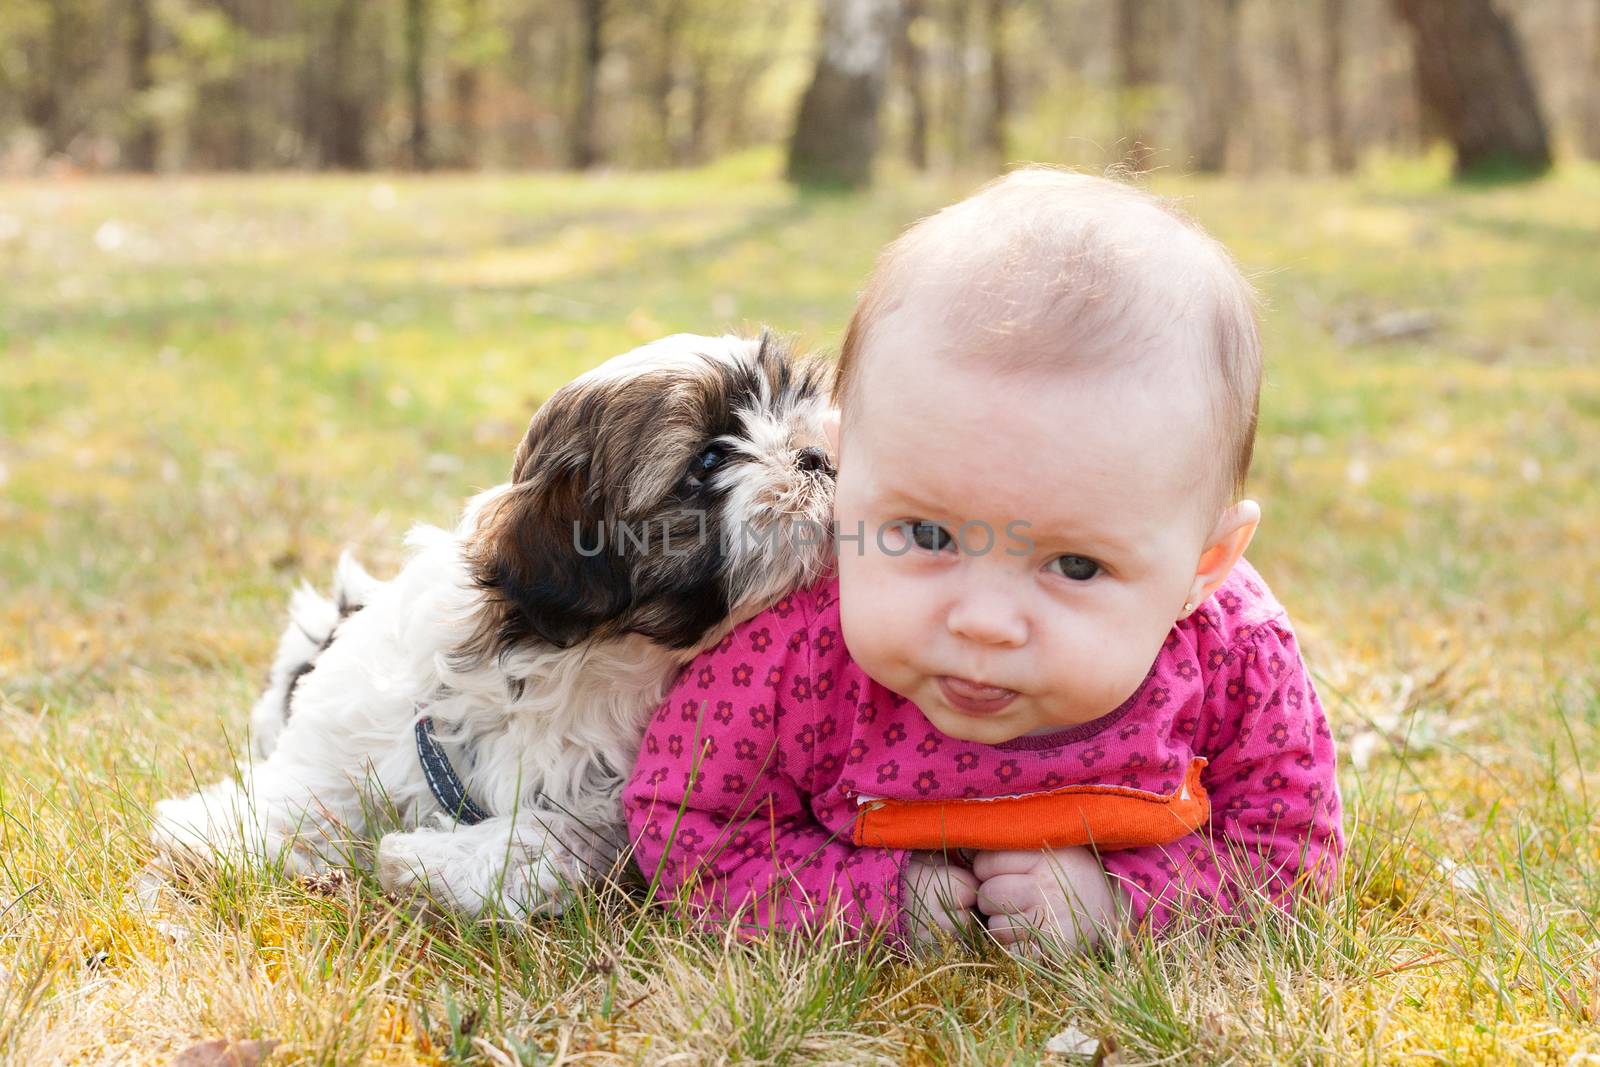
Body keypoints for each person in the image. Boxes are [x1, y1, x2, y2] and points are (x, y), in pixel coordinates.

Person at [622, 168, 1345, 954]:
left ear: (1203, 567)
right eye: (927, 537)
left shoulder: (1234, 654)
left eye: (1074, 565)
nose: (984, 623)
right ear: (841, 475)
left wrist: (1122, 904)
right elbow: (685, 820)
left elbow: (1290, 852)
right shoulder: (790, 650)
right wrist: (876, 904)